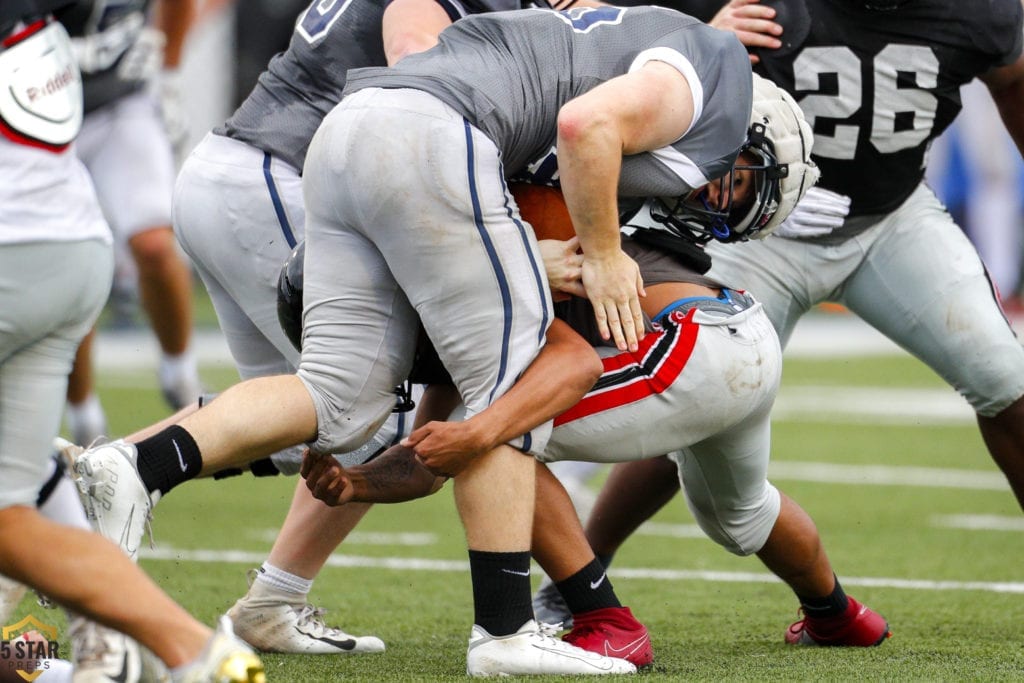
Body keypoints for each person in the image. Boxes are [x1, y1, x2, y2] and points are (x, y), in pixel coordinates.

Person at [63, 5, 809, 675]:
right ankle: (505, 630)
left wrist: (399, 461)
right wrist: (603, 255)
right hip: (414, 138)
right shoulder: (714, 70)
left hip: (346, 136)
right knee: (509, 377)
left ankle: (137, 463)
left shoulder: (571, 58)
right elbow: (587, 131)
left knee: (338, 400)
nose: (713, 195)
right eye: (730, 180)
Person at [534, 0, 1024, 636]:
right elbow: (614, 48)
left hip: (892, 219)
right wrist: (700, 42)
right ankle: (584, 572)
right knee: (693, 393)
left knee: (1003, 376)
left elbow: (1012, 86)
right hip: (760, 232)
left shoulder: (983, 13)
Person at [0, 5, 263, 682]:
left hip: (13, 247)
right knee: (14, 503)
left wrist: (165, 70)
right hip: (70, 246)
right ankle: (172, 650)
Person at [57, 0, 202, 446]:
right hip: (46, 113)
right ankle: (84, 418)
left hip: (124, 101)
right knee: (69, 267)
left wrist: (170, 76)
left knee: (154, 243)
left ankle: (181, 374)